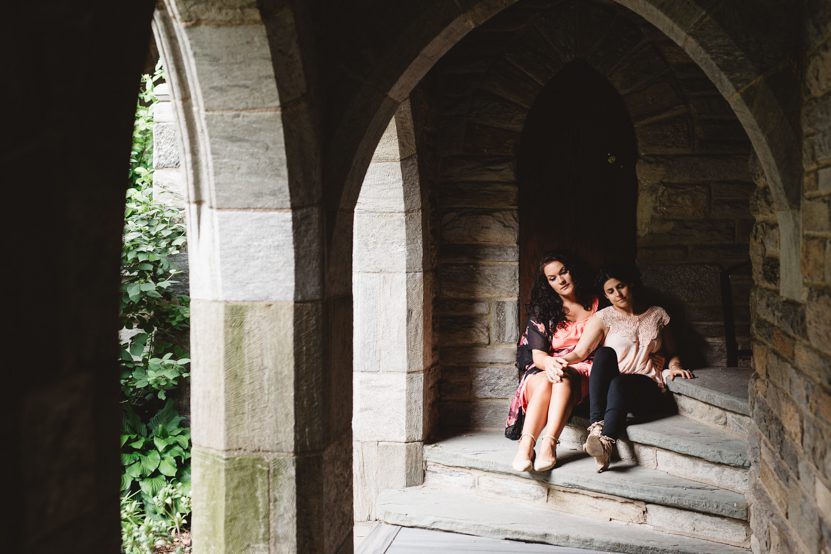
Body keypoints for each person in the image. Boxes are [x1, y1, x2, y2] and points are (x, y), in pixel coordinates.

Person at [551, 263, 694, 472]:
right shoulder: (604, 317)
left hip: (646, 388)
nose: (617, 294)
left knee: (622, 381)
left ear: (631, 285)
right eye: (610, 291)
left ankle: (607, 442)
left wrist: (675, 366)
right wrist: (557, 361)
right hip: (613, 390)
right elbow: (580, 352)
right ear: (606, 296)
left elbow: (672, 352)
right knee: (604, 354)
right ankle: (597, 428)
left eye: (621, 286)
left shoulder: (657, 314)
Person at [506, 252, 599, 472]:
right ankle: (527, 446)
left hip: (583, 367)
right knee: (550, 378)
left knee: (562, 377)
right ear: (547, 284)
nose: (561, 280)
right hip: (544, 366)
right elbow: (538, 356)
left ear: (573, 270)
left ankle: (548, 443)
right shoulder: (544, 310)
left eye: (563, 272)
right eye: (553, 278)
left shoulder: (599, 302)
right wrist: (551, 363)